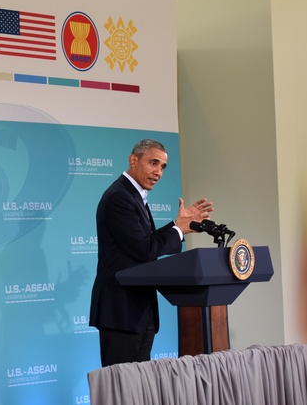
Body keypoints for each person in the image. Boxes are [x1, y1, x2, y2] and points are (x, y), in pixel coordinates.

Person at [89, 139, 214, 367]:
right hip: (121, 312)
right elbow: (145, 249)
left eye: (163, 167)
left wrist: (178, 225)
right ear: (133, 160)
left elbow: (146, 242)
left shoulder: (133, 196)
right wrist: (178, 230)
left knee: (140, 385)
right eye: (153, 163)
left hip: (138, 312)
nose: (158, 172)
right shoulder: (119, 196)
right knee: (121, 385)